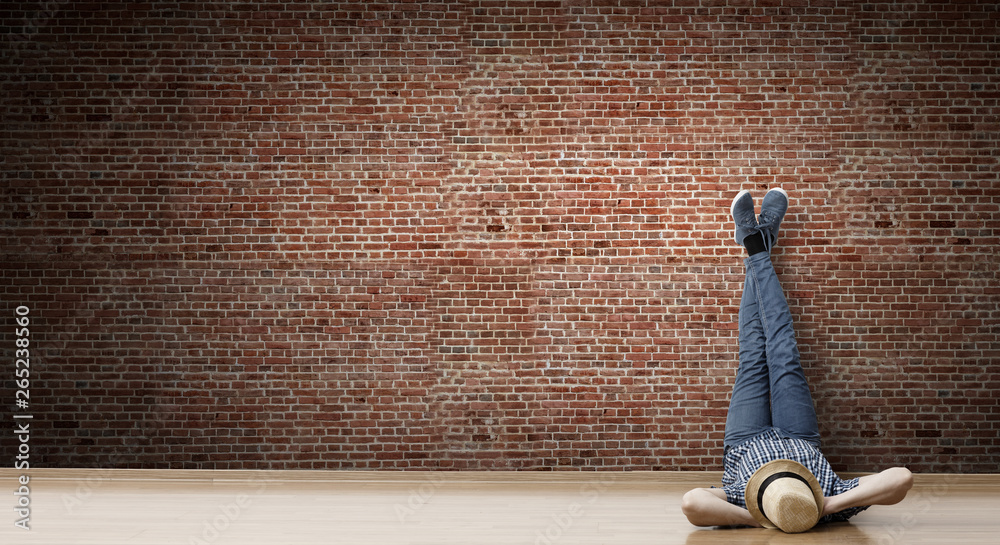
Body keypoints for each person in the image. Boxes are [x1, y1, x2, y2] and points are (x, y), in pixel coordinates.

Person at [680, 188, 913, 532]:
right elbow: (901, 478)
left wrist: (760, 516)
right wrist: (823, 505)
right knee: (783, 350)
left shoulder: (745, 501)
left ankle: (755, 244)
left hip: (745, 441)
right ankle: (757, 244)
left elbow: (692, 503)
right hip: (799, 435)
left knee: (753, 352)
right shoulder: (829, 501)